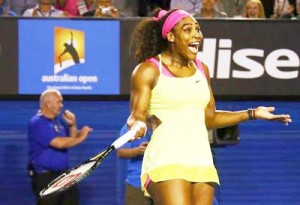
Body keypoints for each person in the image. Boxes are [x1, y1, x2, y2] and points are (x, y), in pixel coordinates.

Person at [126, 8, 292, 205]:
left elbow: (209, 118)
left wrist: (253, 113)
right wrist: (137, 124)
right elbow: (136, 115)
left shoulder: (201, 69)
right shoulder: (148, 70)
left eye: (198, 29)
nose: (197, 34)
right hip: (165, 158)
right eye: (188, 30)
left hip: (201, 159)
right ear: (170, 36)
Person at [27, 89, 92, 205]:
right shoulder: (37, 123)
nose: (61, 105)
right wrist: (81, 137)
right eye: (59, 102)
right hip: (46, 177)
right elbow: (59, 143)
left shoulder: (58, 122)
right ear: (48, 103)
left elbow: (70, 139)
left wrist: (72, 124)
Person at [117, 124, 154, 205]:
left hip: (162, 181)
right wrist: (138, 151)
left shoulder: (164, 125)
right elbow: (120, 152)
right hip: (137, 183)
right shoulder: (129, 128)